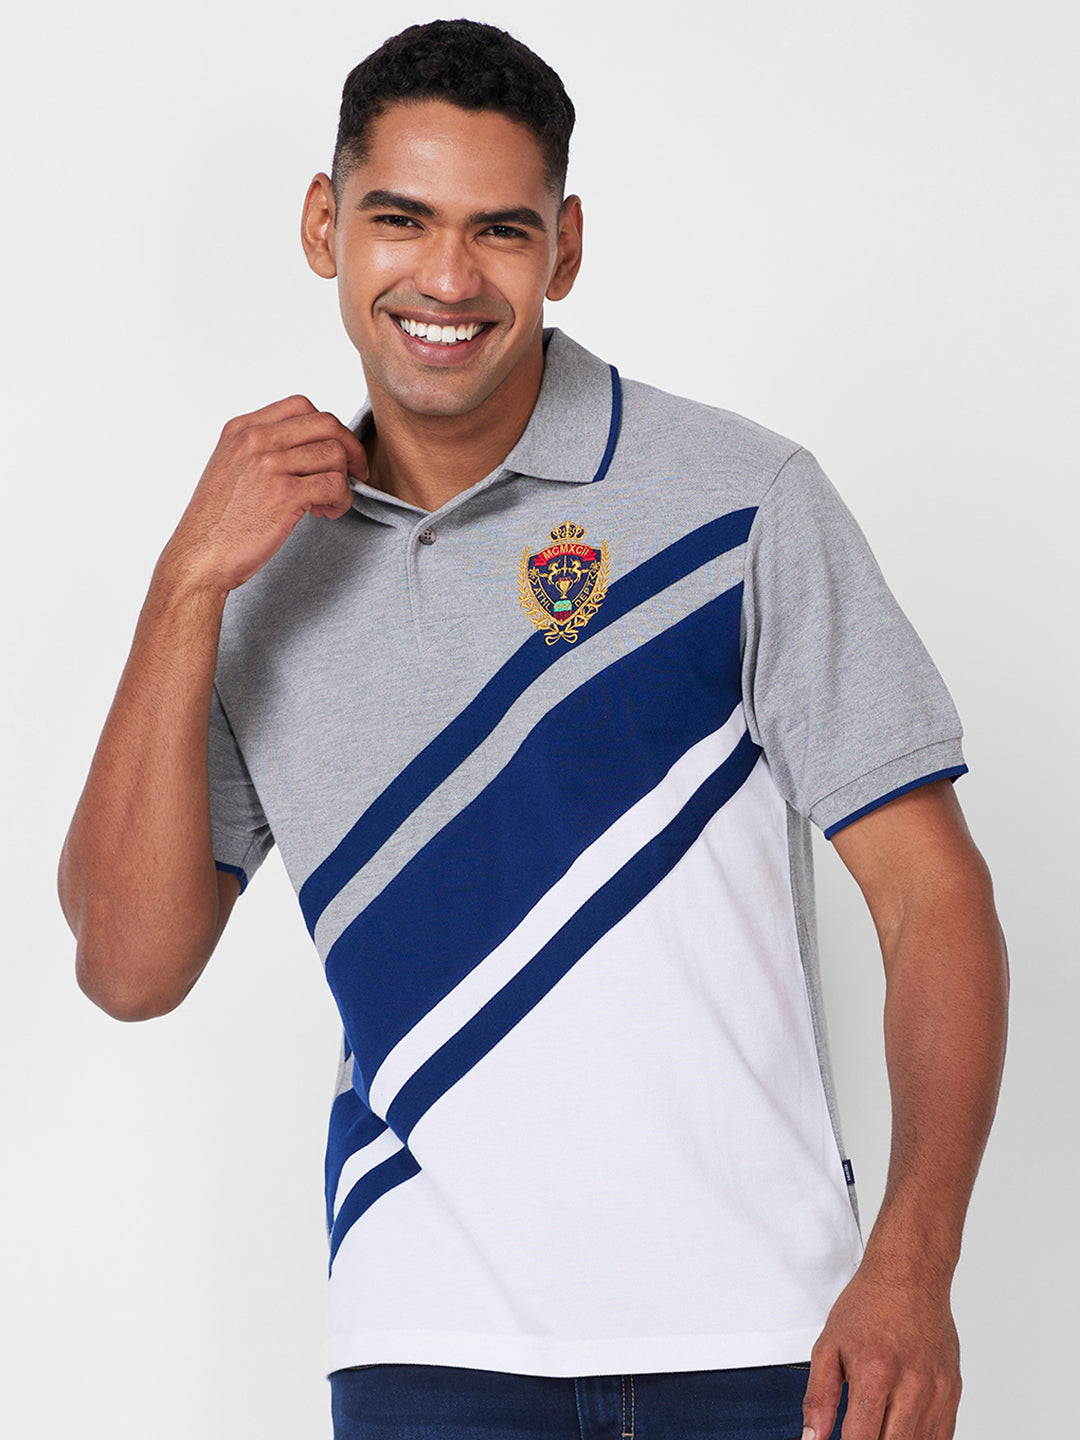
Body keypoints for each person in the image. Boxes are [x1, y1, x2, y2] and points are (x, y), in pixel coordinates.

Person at [58, 18, 1008, 1440]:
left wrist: (916, 1269)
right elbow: (128, 969)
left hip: (769, 1333)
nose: (447, 279)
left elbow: (934, 897)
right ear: (324, 227)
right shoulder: (254, 567)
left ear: (563, 248)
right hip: (427, 1344)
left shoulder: (740, 502)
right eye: (401, 219)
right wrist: (184, 583)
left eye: (499, 230)